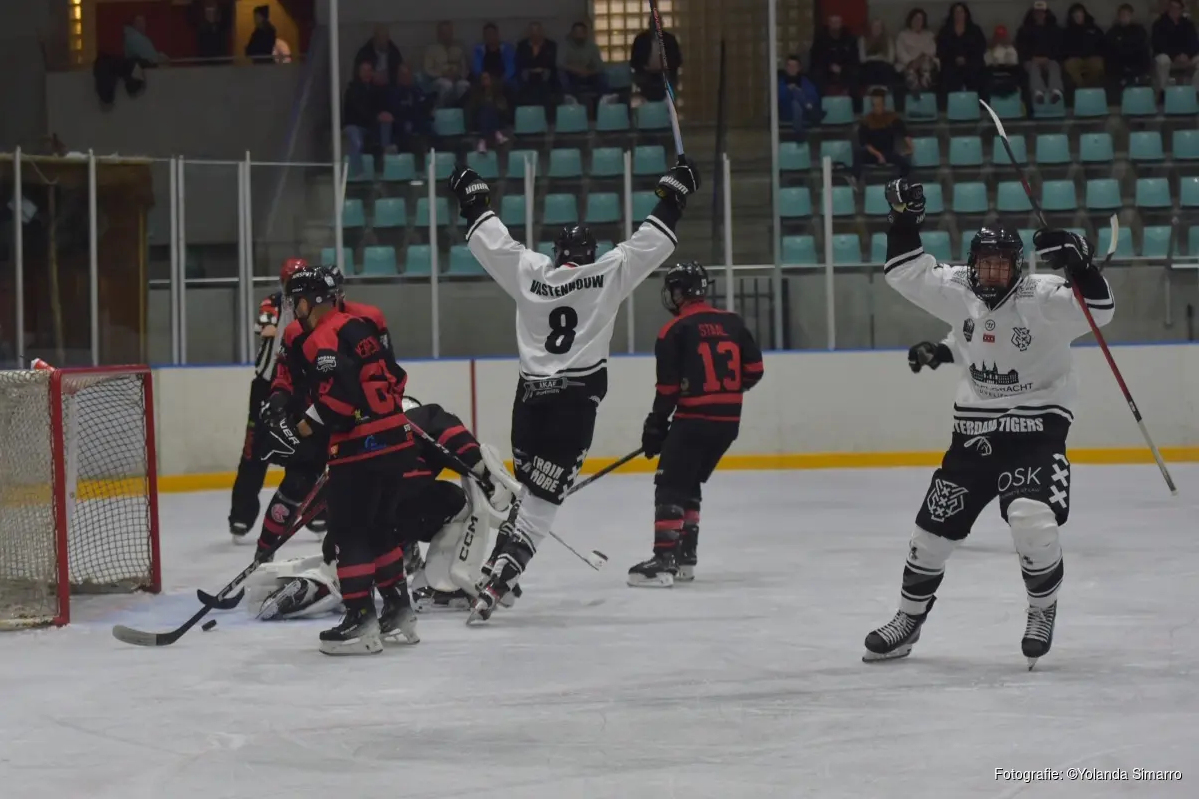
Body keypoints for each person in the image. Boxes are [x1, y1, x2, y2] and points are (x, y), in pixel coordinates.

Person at [865, 179, 1115, 669]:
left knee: (1031, 520)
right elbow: (905, 272)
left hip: (1036, 431)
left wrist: (1081, 265)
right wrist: (903, 219)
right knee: (929, 535)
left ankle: (1042, 610)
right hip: (973, 435)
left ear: (1019, 265)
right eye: (984, 262)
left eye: (1002, 263)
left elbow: (1101, 310)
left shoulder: (1043, 296)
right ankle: (907, 620)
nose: (992, 272)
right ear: (973, 262)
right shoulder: (959, 289)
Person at [446, 154, 698, 620]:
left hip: (529, 404)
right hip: (573, 403)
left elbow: (489, 236)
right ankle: (502, 577)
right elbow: (652, 240)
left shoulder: (532, 271)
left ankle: (499, 563)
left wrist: (471, 196)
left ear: (558, 253)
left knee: (528, 490)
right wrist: (675, 193)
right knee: (542, 504)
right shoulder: (607, 273)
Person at [262, 266, 424, 655]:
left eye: (298, 302)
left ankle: (360, 619)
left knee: (348, 532)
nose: (295, 310)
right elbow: (396, 378)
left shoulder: (324, 335)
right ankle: (400, 611)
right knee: (382, 529)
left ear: (313, 301)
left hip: (360, 449)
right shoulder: (359, 326)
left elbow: (341, 398)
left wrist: (302, 428)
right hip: (397, 439)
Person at [248, 397, 518, 619]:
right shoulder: (420, 419)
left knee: (357, 543)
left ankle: (331, 575)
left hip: (360, 519)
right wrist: (483, 470)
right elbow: (449, 433)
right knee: (454, 502)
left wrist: (266, 546)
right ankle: (438, 587)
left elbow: (302, 488)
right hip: (394, 514)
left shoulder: (350, 430)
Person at [628, 262, 764, 587]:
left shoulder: (673, 330)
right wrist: (724, 392)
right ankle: (685, 558)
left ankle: (663, 562)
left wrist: (656, 426)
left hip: (694, 421)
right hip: (727, 423)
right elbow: (755, 369)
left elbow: (668, 390)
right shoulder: (733, 322)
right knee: (689, 483)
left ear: (679, 292)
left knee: (670, 484)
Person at [227, 258, 326, 541]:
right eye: (289, 282)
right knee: (254, 450)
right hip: (267, 385)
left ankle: (316, 513)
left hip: (301, 385)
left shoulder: (314, 308)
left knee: (310, 449)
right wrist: (269, 325)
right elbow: (266, 322)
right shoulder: (273, 302)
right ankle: (242, 516)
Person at [853, 88, 912, 180]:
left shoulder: (891, 118)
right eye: (874, 105)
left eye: (879, 105)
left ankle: (898, 181)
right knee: (858, 155)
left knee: (905, 163)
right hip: (872, 154)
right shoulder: (866, 120)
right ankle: (856, 180)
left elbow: (904, 132)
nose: (876, 107)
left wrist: (910, 147)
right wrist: (878, 155)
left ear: (883, 105)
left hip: (888, 152)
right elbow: (865, 143)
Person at [1017, 1, 1065, 104]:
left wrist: (1048, 57)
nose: (1039, 15)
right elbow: (1021, 48)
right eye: (1037, 13)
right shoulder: (1024, 30)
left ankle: (1055, 91)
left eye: (1042, 13)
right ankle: (1038, 92)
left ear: (1046, 14)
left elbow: (1059, 48)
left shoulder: (1055, 30)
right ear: (1033, 14)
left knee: (1054, 65)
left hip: (1049, 59)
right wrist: (1032, 57)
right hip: (1031, 60)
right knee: (1033, 67)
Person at [342, 60, 383, 177]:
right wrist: (375, 117)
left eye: (369, 71)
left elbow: (380, 106)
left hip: (369, 125)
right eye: (364, 71)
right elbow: (359, 109)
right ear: (358, 73)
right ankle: (357, 175)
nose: (367, 74)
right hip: (353, 125)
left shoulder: (375, 89)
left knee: (385, 132)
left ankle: (379, 172)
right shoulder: (353, 89)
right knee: (356, 142)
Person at [937, 3, 987, 93]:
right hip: (951, 63)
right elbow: (941, 49)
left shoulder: (975, 30)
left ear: (966, 14)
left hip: (971, 63)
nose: (959, 15)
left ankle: (979, 103)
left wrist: (966, 59)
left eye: (961, 12)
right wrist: (955, 58)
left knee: (977, 74)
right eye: (956, 12)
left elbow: (981, 47)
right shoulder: (945, 30)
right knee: (947, 75)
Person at [630, 17, 682, 102]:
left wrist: (667, 67)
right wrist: (643, 68)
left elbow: (677, 60)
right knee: (645, 85)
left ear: (662, 24)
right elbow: (634, 61)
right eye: (652, 23)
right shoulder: (640, 40)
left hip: (665, 73)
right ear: (649, 25)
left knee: (668, 87)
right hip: (646, 74)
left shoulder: (670, 39)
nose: (655, 26)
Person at [1152, 0, 1199, 93]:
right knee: (1162, 60)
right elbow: (1158, 44)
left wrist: (1187, 55)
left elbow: (1194, 43)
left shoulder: (1188, 25)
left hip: (1187, 57)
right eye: (1172, 8)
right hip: (1168, 56)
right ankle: (1164, 91)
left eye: (1177, 8)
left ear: (1181, 10)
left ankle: (1195, 92)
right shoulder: (1159, 24)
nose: (1175, 11)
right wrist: (1175, 56)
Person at [423, 20, 470, 107]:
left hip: (456, 79)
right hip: (437, 81)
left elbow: (465, 69)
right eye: (443, 33)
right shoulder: (431, 49)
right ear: (438, 34)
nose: (446, 36)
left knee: (464, 85)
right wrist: (442, 74)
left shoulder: (459, 48)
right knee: (446, 84)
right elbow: (427, 70)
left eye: (449, 33)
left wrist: (458, 76)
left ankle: (461, 111)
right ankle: (444, 111)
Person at [810, 14, 860, 96]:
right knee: (817, 74)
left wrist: (842, 68)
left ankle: (856, 107)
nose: (834, 25)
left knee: (855, 73)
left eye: (837, 22)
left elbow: (854, 58)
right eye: (832, 22)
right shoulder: (820, 38)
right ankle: (819, 105)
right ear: (828, 23)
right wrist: (830, 66)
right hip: (826, 68)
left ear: (841, 23)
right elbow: (815, 57)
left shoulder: (850, 38)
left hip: (845, 68)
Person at [558, 21, 608, 103]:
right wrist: (577, 70)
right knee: (562, 75)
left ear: (586, 33)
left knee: (602, 76)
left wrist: (589, 72)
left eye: (581, 32)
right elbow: (560, 63)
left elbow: (599, 65)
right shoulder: (565, 45)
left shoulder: (592, 47)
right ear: (572, 33)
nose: (579, 35)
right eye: (576, 32)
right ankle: (570, 100)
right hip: (571, 74)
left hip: (588, 74)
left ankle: (604, 100)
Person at [778, 55, 823, 141]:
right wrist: (789, 90)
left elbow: (814, 97)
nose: (792, 68)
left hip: (804, 114)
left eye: (794, 66)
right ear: (786, 68)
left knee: (796, 102)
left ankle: (799, 135)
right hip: (787, 113)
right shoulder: (781, 82)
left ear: (799, 68)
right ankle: (811, 109)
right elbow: (778, 98)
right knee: (795, 98)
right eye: (789, 65)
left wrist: (801, 92)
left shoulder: (805, 81)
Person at [515, 21, 560, 107]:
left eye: (537, 31)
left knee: (547, 85)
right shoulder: (522, 45)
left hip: (546, 75)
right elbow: (521, 62)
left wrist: (542, 70)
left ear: (542, 32)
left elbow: (551, 62)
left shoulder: (551, 45)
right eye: (532, 31)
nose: (535, 34)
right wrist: (532, 70)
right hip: (528, 74)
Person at [1062, 3, 1107, 89]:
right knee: (1069, 65)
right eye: (1076, 15)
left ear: (1084, 15)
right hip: (1075, 58)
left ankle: (1087, 87)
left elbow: (1102, 45)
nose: (1078, 17)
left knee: (1098, 65)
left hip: (1092, 57)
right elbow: (1063, 48)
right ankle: (1082, 87)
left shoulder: (1094, 29)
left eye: (1080, 14)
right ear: (1072, 17)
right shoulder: (1066, 32)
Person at [1106, 4, 1152, 86]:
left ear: (1131, 16)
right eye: (1122, 15)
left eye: (1127, 15)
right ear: (1118, 16)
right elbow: (1110, 47)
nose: (1124, 17)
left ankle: (1134, 77)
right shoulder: (1113, 31)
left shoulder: (1139, 30)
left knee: (1144, 53)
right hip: (1119, 62)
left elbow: (1141, 45)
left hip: (1135, 60)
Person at [896, 8, 938, 96]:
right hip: (909, 63)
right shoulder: (903, 35)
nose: (918, 22)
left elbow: (932, 50)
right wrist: (912, 62)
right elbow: (900, 52)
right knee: (910, 71)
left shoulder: (929, 35)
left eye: (920, 19)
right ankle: (914, 85)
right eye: (915, 19)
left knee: (926, 63)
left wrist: (920, 60)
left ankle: (925, 81)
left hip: (926, 62)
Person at [985, 25, 1023, 99]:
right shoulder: (989, 50)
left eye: (1002, 37)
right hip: (993, 71)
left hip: (1009, 71)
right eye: (998, 37)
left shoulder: (1011, 50)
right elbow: (987, 63)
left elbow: (1013, 62)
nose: (1000, 39)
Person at [859, 19, 896, 91]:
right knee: (872, 66)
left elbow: (891, 59)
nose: (876, 29)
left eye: (879, 27)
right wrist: (876, 57)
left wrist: (879, 59)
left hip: (884, 67)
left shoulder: (888, 40)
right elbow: (862, 59)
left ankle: (883, 88)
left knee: (883, 67)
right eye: (874, 27)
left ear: (882, 29)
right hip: (868, 67)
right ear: (870, 28)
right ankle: (872, 88)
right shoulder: (863, 39)